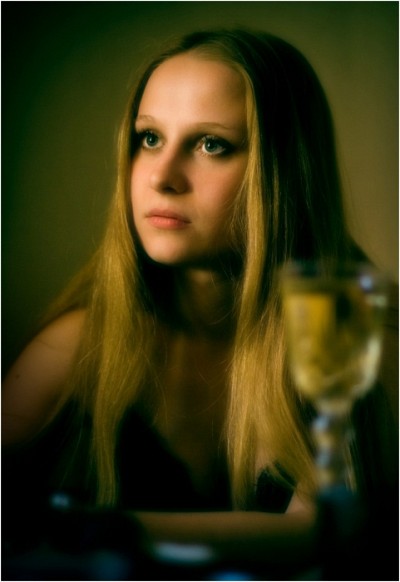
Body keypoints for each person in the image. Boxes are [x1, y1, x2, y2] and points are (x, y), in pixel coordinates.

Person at [2, 28, 398, 576]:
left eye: (211, 145)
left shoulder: (341, 329)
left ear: (284, 168)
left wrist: (112, 529)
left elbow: (332, 534)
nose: (162, 177)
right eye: (149, 138)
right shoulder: (77, 348)